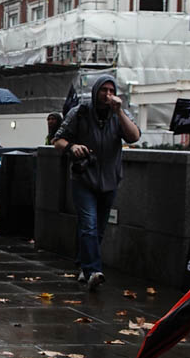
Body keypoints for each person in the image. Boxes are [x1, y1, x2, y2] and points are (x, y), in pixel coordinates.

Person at [52, 74, 141, 289]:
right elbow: (57, 139)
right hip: (83, 178)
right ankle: (94, 270)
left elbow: (134, 136)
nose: (108, 95)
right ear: (96, 91)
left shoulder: (119, 115)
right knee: (89, 225)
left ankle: (84, 265)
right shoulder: (80, 113)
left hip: (110, 179)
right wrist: (72, 147)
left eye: (112, 91)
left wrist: (119, 112)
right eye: (104, 90)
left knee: (98, 228)